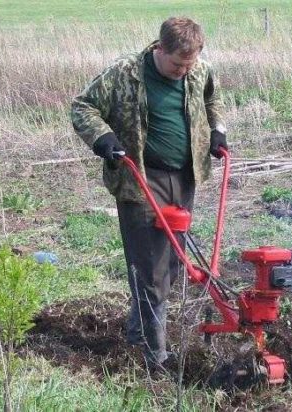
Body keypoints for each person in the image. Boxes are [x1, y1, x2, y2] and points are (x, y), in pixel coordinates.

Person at [71, 17, 227, 371]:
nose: (182, 71)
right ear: (160, 48)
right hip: (141, 178)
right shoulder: (125, 73)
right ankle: (156, 358)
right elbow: (82, 106)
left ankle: (136, 331)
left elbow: (212, 100)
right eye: (176, 64)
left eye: (188, 65)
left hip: (184, 177)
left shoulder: (199, 70)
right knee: (151, 271)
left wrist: (217, 130)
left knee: (172, 265)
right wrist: (103, 139)